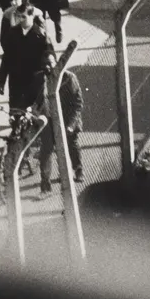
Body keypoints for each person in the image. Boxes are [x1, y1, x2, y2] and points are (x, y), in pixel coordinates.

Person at [35, 46, 85, 194]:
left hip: (67, 119)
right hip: (49, 120)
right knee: (46, 150)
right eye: (44, 64)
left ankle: (78, 168)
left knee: (71, 144)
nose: (47, 66)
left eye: (50, 62)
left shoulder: (69, 78)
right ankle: (45, 182)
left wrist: (70, 125)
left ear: (56, 63)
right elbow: (35, 99)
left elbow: (78, 104)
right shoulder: (39, 79)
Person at [0, 2, 52, 111]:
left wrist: (48, 64)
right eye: (18, 16)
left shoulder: (40, 35)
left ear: (32, 16)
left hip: (35, 82)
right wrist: (1, 81)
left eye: (24, 17)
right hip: (16, 81)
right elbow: (6, 58)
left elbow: (48, 53)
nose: (20, 19)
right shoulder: (12, 33)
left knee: (36, 113)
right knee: (16, 112)